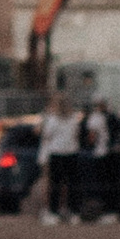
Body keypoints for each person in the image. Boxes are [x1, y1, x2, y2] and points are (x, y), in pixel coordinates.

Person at [35, 96, 78, 224]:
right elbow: (76, 134)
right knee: (70, 184)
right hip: (71, 152)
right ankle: (71, 211)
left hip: (57, 153)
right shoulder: (73, 119)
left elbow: (46, 135)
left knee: (55, 184)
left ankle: (54, 212)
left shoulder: (53, 119)